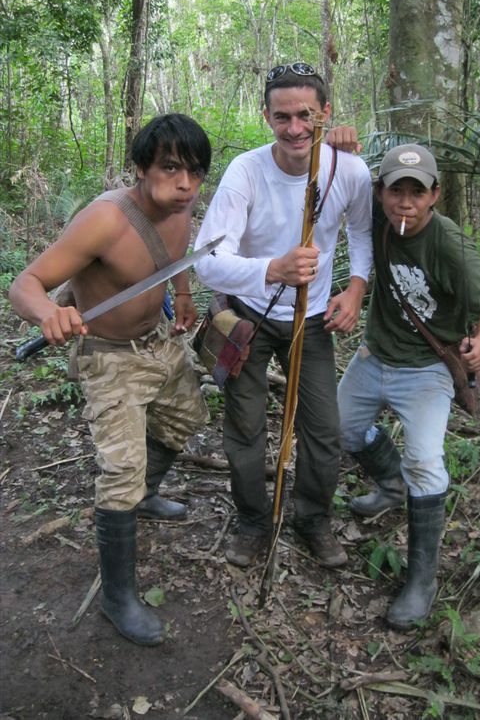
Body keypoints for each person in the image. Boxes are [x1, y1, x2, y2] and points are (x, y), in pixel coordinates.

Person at [9, 113, 212, 646]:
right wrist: (46, 314)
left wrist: (185, 295)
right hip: (109, 355)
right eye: (170, 168)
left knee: (186, 418)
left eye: (194, 172)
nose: (185, 184)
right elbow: (25, 283)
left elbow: (175, 260)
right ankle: (117, 596)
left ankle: (144, 494)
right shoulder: (104, 220)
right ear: (141, 167)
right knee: (121, 469)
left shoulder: (182, 208)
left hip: (158, 343)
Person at [193, 62, 373, 568]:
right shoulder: (247, 172)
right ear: (267, 117)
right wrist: (272, 269)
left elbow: (361, 231)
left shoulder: (348, 170)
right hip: (248, 316)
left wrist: (356, 288)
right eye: (282, 116)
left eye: (305, 115)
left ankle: (312, 519)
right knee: (245, 426)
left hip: (312, 319)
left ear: (325, 114)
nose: (294, 128)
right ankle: (253, 521)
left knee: (323, 429)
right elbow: (207, 260)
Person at [337, 143, 480, 630]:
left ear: (435, 194)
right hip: (375, 355)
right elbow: (338, 173)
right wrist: (335, 139)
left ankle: (421, 579)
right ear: (381, 193)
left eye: (416, 192)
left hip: (429, 368)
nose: (404, 203)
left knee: (425, 464)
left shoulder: (449, 245)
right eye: (396, 191)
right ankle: (390, 485)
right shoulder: (377, 212)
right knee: (344, 431)